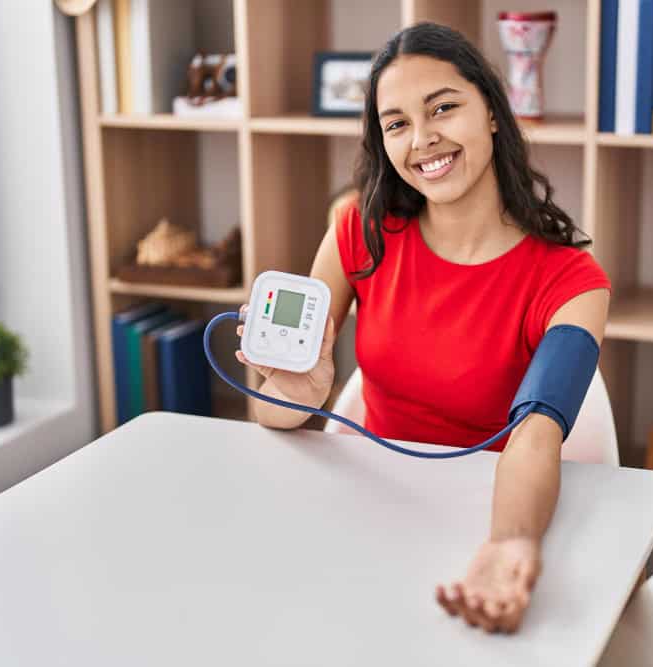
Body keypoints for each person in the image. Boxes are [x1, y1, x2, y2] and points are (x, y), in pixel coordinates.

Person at [234, 22, 611, 634]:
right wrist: (294, 396)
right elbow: (274, 414)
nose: (423, 139)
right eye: (397, 123)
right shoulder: (359, 232)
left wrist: (511, 543)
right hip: (365, 510)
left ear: (491, 110)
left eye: (443, 108)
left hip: (486, 514)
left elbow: (538, 434)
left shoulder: (572, 281)